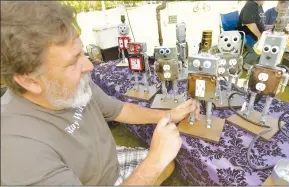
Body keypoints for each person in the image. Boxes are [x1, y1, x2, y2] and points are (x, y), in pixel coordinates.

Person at [1, 1, 200, 186]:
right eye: (73, 61)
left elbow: (119, 109)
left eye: (82, 53)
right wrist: (153, 162)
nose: (89, 66)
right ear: (29, 80)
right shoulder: (18, 148)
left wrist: (168, 115)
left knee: (168, 164)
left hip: (110, 163)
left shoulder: (72, 84)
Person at [237, 0, 266, 70]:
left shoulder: (259, 6)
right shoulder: (251, 4)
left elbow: (261, 22)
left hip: (255, 34)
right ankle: (245, 64)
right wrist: (260, 36)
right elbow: (249, 23)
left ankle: (256, 63)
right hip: (247, 35)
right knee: (259, 48)